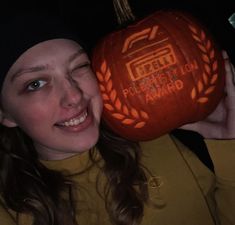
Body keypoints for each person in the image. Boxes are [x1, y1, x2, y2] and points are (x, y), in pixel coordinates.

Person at [0, 9, 235, 225]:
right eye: (35, 84)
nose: (73, 96)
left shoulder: (154, 133)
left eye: (79, 66)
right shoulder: (11, 209)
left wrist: (229, 146)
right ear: (5, 113)